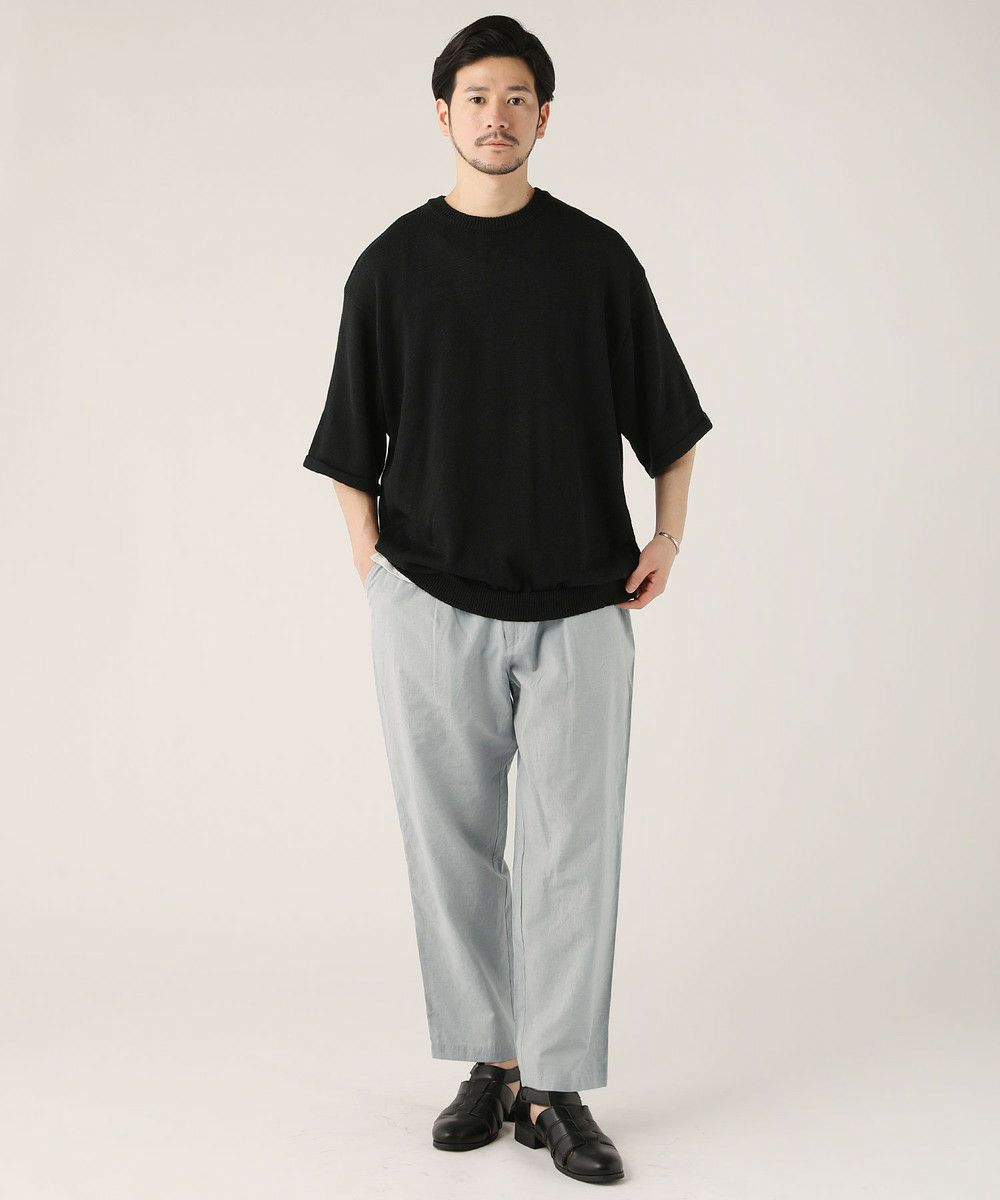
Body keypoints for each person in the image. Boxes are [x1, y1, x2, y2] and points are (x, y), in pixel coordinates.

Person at [302, 14, 712, 1186]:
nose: (496, 115)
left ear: (545, 116)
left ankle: (557, 1085)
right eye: (476, 96)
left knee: (575, 851)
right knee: (451, 845)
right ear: (443, 113)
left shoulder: (595, 260)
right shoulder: (391, 265)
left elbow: (670, 420)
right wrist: (375, 567)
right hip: (430, 601)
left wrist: (669, 535)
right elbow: (348, 441)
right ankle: (491, 1062)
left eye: (517, 96)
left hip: (582, 604)